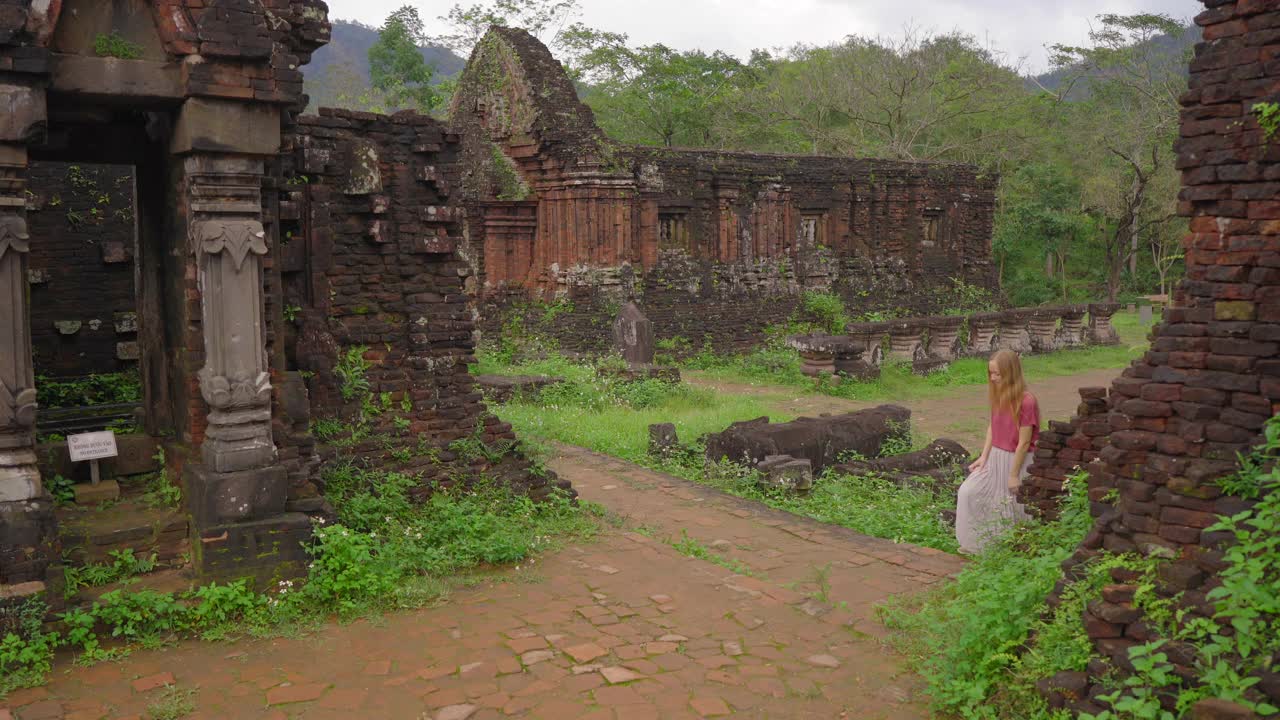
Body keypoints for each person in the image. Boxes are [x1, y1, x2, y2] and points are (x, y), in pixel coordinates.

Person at [955, 349, 1039, 554]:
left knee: (1009, 505)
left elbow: (1024, 441)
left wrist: (1013, 475)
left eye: (997, 374)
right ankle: (977, 545)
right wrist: (984, 456)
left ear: (1010, 373)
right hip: (995, 455)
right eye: (990, 373)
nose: (993, 378)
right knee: (968, 491)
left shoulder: (1027, 401)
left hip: (1017, 458)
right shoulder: (999, 394)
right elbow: (993, 427)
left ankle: (1008, 550)